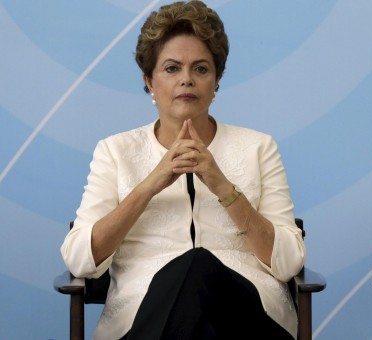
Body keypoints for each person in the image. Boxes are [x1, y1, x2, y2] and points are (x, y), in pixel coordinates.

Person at [60, 1, 305, 339]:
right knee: (188, 275)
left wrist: (223, 187)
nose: (187, 80)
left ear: (216, 80)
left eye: (201, 69)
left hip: (246, 320)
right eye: (172, 68)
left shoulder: (258, 148)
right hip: (144, 321)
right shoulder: (115, 151)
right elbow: (79, 259)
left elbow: (289, 262)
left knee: (198, 266)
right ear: (149, 81)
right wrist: (150, 184)